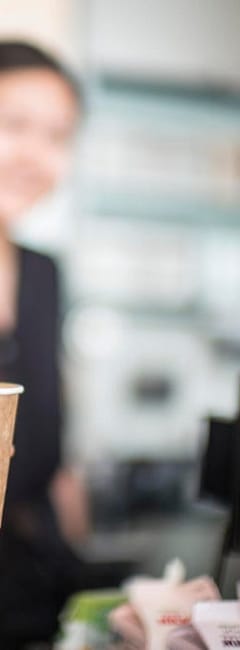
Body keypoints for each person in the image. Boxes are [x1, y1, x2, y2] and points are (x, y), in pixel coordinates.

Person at [0, 40, 84, 646]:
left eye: (57, 137)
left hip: (39, 591)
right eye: (13, 125)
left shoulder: (45, 275)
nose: (37, 154)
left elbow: (57, 456)